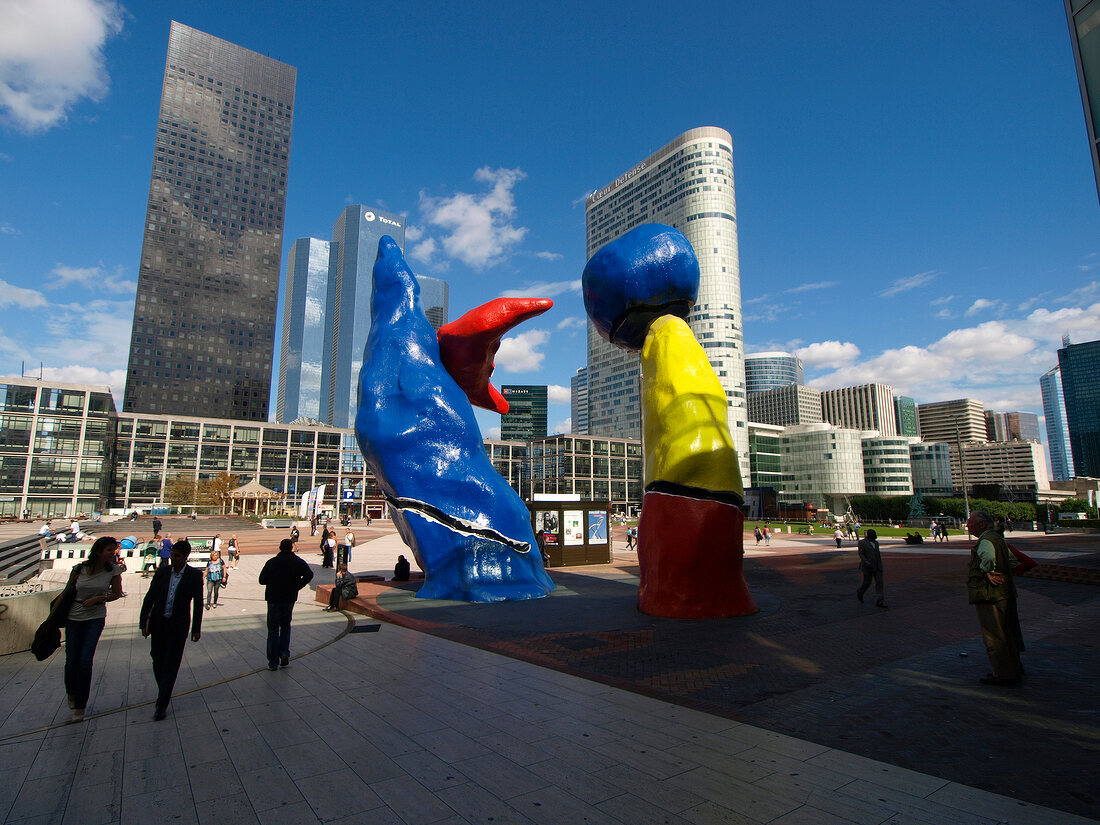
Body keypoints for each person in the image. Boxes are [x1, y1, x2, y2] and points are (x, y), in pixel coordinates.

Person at [60, 536, 123, 722]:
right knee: (71, 662)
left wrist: (98, 599)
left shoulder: (113, 571)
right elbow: (66, 592)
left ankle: (80, 707)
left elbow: (117, 594)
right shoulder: (79, 569)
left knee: (85, 661)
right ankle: (71, 692)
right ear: (98, 552)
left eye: (114, 550)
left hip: (94, 618)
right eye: (109, 550)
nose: (113, 553)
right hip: (74, 617)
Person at [140, 539, 203, 720]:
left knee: (171, 663)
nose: (173, 558)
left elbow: (198, 604)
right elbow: (150, 597)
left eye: (177, 556)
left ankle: (162, 703)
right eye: (172, 555)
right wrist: (144, 620)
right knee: (157, 659)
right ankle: (164, 690)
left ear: (185, 557)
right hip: (159, 623)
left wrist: (196, 629)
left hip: (178, 625)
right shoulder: (162, 572)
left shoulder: (194, 576)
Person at [966, 510, 1023, 686]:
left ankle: (1004, 674)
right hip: (1005, 592)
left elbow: (988, 558)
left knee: (994, 635)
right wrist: (1003, 573)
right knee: (1008, 632)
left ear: (982, 524)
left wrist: (989, 572)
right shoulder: (998, 539)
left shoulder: (985, 540)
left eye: (971, 523)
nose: (968, 526)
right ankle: (1014, 669)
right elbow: (1013, 562)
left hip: (990, 594)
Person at [258, 538, 314, 671]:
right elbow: (309, 575)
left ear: (280, 547)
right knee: (285, 626)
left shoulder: (272, 562)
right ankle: (284, 653)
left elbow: (262, 580)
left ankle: (273, 662)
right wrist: (297, 586)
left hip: (274, 598)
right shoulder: (298, 562)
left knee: (273, 629)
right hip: (289, 597)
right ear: (291, 548)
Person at [856, 528, 887, 608]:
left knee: (879, 584)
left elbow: (878, 555)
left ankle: (880, 601)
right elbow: (861, 554)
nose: (875, 537)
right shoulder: (862, 543)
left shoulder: (876, 543)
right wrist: (867, 563)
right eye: (873, 535)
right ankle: (860, 591)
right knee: (867, 582)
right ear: (869, 535)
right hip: (868, 567)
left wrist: (880, 565)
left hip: (877, 566)